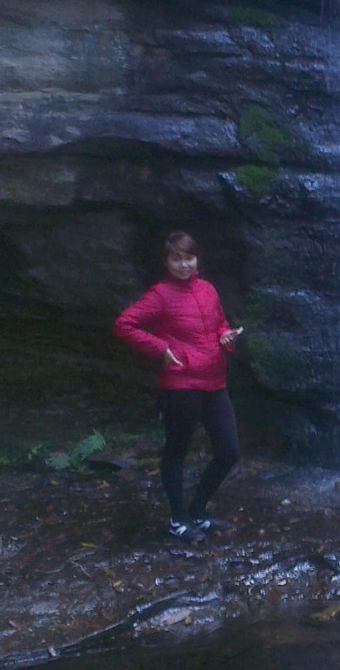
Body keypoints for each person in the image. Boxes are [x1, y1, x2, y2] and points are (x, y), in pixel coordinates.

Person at [114, 231, 242, 543]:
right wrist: (160, 349)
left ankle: (197, 510)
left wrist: (226, 338)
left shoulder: (208, 290)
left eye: (189, 258)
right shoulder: (161, 294)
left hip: (214, 381)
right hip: (181, 383)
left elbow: (220, 325)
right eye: (177, 259)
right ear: (167, 262)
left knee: (228, 452)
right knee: (176, 451)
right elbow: (124, 324)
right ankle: (177, 519)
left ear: (196, 259)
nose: (184, 264)